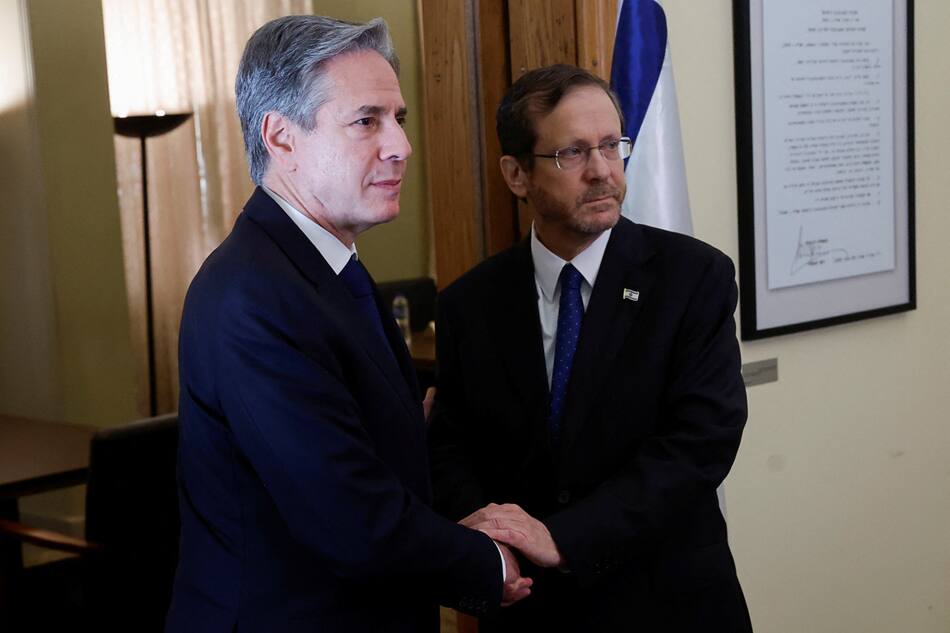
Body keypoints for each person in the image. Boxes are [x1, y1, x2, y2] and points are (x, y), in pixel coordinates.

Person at [165, 16, 530, 632]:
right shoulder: (253, 295)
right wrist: (487, 562)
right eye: (367, 121)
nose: (401, 146)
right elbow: (349, 517)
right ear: (281, 137)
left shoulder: (322, 268)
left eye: (399, 119)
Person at [428, 64, 753, 632]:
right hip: (530, 606)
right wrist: (487, 541)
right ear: (517, 175)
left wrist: (564, 538)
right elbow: (451, 445)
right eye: (572, 153)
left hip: (667, 603)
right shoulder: (468, 303)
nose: (602, 171)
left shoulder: (692, 278)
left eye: (610, 145)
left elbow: (699, 444)